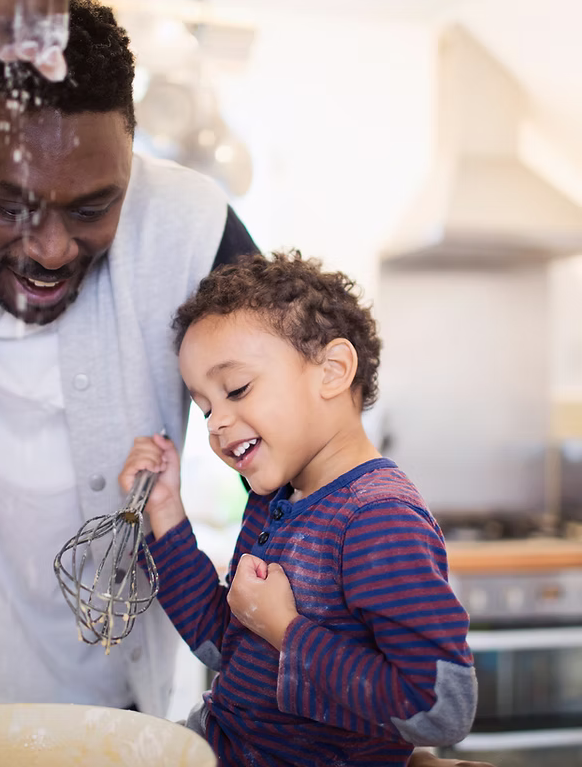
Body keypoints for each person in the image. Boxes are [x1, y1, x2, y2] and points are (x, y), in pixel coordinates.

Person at [0, 0, 258, 714]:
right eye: (11, 205)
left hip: (120, 713)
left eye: (91, 208)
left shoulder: (190, 224)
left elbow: (296, 439)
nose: (50, 251)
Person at [120, 251, 479, 767]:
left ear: (333, 371)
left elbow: (438, 710)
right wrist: (165, 511)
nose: (217, 422)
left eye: (237, 389)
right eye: (205, 407)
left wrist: (286, 630)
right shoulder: (274, 502)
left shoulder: (378, 520)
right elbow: (227, 643)